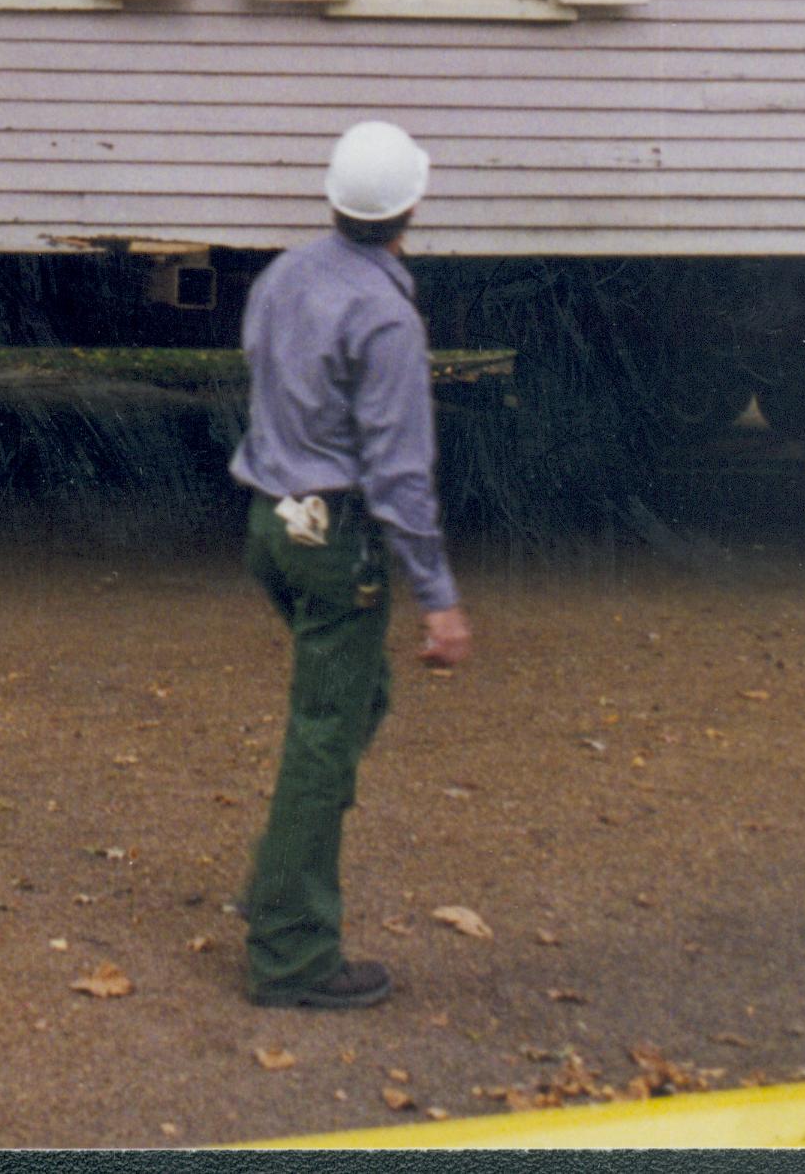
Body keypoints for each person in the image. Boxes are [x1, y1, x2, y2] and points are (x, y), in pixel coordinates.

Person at [229, 119, 472, 1012]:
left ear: (333, 196)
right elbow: (399, 471)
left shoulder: (284, 275)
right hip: (336, 540)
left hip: (270, 521)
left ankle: (275, 884)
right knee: (325, 733)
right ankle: (290, 953)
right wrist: (438, 601)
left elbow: (260, 372)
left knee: (353, 700)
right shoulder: (386, 317)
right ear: (410, 206)